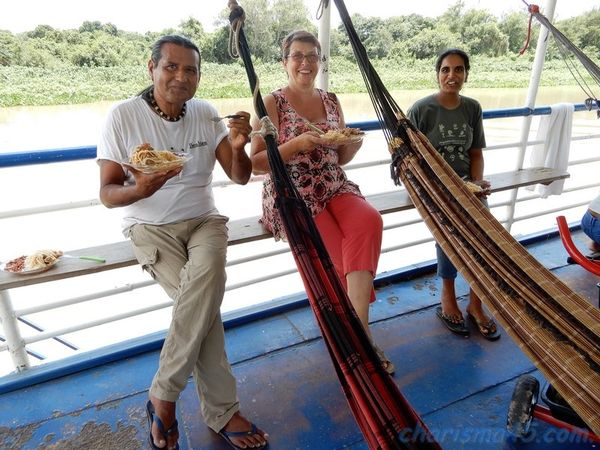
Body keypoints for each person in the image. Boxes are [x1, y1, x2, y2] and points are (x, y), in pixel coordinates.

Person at [96, 35, 268, 450]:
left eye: (189, 69)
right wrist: (141, 189)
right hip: (150, 226)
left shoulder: (207, 115)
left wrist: (240, 145)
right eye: (170, 67)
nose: (180, 77)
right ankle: (222, 412)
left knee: (202, 288)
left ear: (198, 77)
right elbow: (107, 193)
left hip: (205, 221)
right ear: (151, 68)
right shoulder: (122, 117)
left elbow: (240, 176)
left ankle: (163, 395)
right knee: (203, 313)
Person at [250, 30, 393, 374]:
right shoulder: (272, 103)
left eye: (312, 56)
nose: (305, 63)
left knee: (368, 221)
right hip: (293, 193)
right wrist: (296, 145)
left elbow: (338, 157)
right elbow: (255, 163)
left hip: (332, 184)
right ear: (285, 62)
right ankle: (357, 337)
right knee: (333, 252)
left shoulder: (331, 100)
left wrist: (351, 145)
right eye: (297, 56)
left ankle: (358, 329)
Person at [407, 48, 500, 341]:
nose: (452, 76)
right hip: (433, 187)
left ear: (466, 75)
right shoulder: (421, 110)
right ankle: (447, 297)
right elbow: (407, 159)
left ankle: (476, 302)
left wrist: (477, 183)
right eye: (446, 70)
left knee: (485, 235)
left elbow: (475, 153)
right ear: (437, 74)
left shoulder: (472, 108)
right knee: (449, 233)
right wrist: (430, 186)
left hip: (466, 186)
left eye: (458, 70)